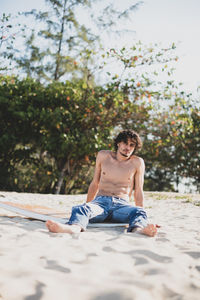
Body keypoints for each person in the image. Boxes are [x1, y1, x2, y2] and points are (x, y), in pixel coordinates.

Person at [46, 129, 159, 237]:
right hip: (100, 203)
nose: (128, 148)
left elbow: (138, 190)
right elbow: (95, 183)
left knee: (139, 211)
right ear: (118, 143)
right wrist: (88, 207)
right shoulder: (103, 156)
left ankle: (139, 230)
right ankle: (74, 228)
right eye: (125, 143)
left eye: (132, 145)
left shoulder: (137, 162)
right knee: (81, 208)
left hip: (122, 205)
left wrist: (143, 218)